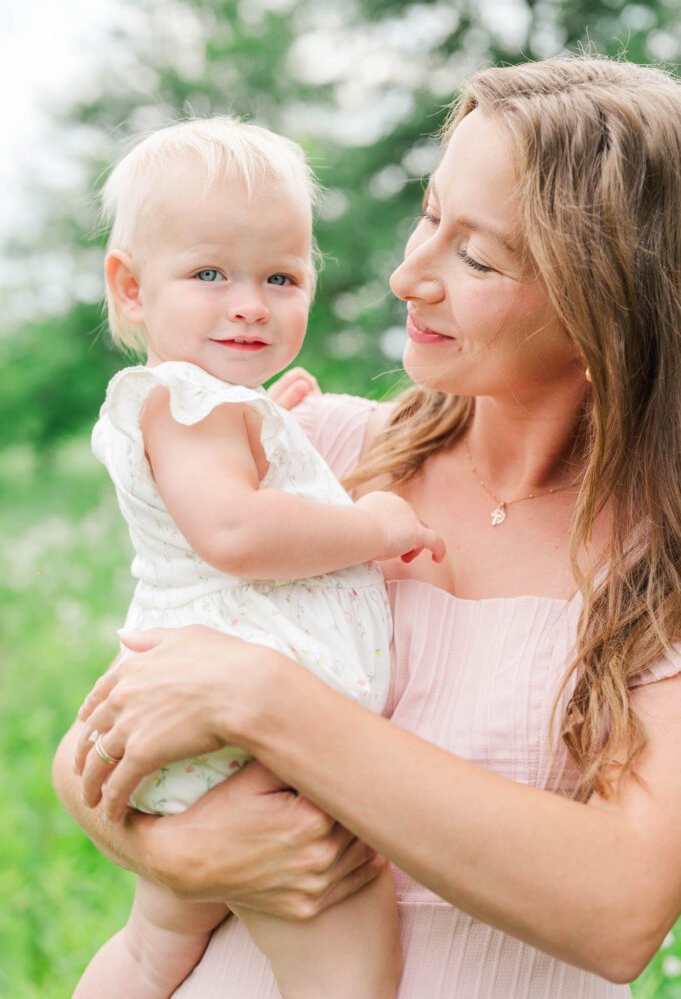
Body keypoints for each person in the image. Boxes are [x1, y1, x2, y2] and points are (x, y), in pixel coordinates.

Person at [56, 54, 681, 998]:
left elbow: (619, 912)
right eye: (430, 215)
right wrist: (171, 851)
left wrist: (269, 700)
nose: (405, 276)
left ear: (607, 308)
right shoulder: (312, 451)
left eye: (475, 255)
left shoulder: (658, 553)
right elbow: (112, 724)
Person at [71, 115, 447, 999]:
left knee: (153, 948)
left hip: (199, 739)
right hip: (243, 747)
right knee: (346, 953)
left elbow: (235, 487)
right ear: (130, 290)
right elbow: (236, 534)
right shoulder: (190, 402)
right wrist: (375, 524)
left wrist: (274, 418)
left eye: (280, 277)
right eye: (209, 274)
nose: (249, 302)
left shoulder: (210, 405)